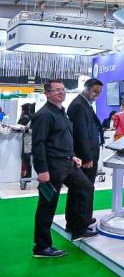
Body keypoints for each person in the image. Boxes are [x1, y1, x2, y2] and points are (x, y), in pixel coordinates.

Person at [32, 79, 96, 257]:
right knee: (47, 205)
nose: (61, 92)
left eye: (63, 89)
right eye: (56, 90)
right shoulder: (44, 115)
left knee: (86, 188)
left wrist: (73, 155)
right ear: (47, 93)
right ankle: (42, 247)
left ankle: (78, 229)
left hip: (68, 163)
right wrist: (42, 171)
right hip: (52, 166)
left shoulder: (62, 112)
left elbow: (64, 138)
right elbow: (38, 145)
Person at [67, 78, 105, 232]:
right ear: (86, 89)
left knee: (84, 189)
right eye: (95, 91)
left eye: (99, 92)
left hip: (87, 154)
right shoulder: (79, 105)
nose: (97, 95)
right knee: (83, 190)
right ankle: (79, 224)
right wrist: (87, 157)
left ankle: (82, 219)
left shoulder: (84, 104)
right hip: (84, 157)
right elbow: (80, 133)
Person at [19, 103, 34, 180]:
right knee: (28, 156)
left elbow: (19, 125)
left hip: (27, 138)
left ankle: (28, 174)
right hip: (30, 138)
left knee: (26, 156)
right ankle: (29, 173)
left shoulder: (25, 118)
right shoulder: (33, 117)